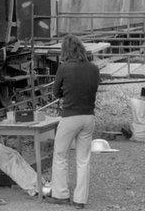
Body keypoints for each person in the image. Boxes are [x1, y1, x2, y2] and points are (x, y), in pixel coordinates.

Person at [47, 34, 100, 209]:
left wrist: (65, 93)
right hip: (89, 117)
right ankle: (80, 199)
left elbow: (55, 93)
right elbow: (93, 88)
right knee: (83, 159)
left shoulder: (64, 68)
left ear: (65, 51)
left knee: (60, 155)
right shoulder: (94, 68)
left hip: (70, 117)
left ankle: (61, 194)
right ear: (82, 49)